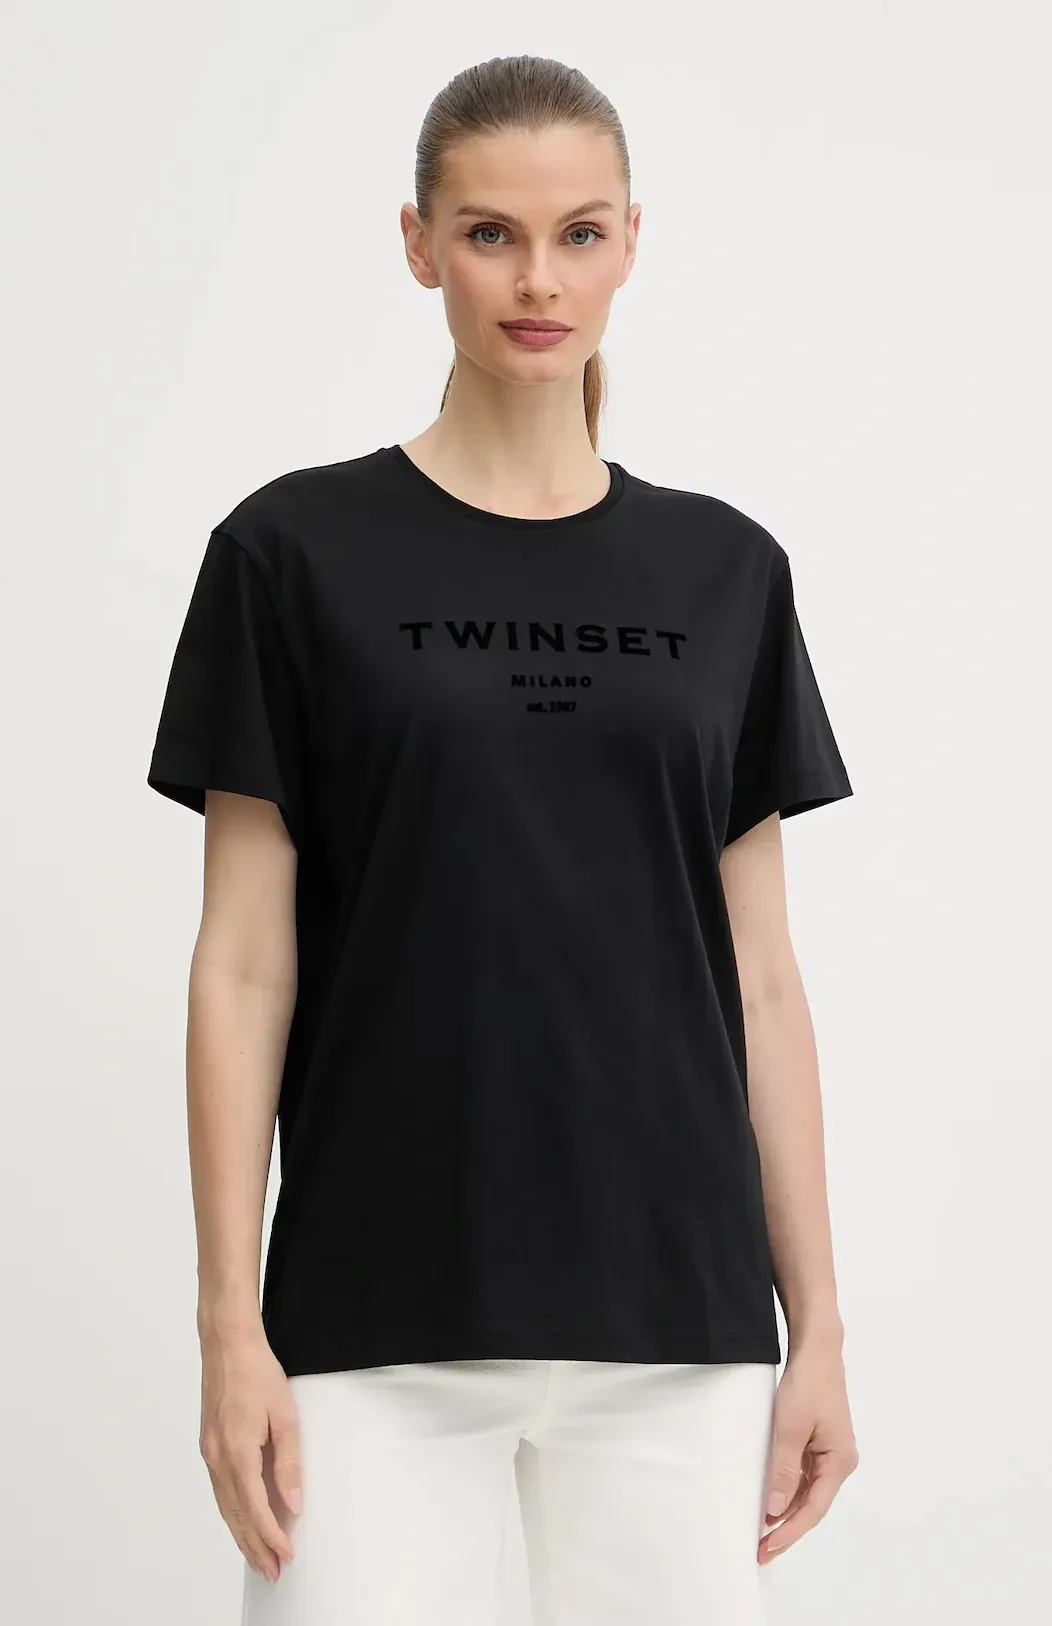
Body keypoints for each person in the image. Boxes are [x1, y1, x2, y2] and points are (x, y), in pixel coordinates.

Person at [147, 52, 859, 1626]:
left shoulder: (725, 573)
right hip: (370, 1317)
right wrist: (226, 1321)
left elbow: (762, 980)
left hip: (675, 1318)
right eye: (491, 234)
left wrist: (817, 1322)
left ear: (630, 243)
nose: (540, 281)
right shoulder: (291, 554)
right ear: (419, 244)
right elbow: (243, 964)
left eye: (579, 233)